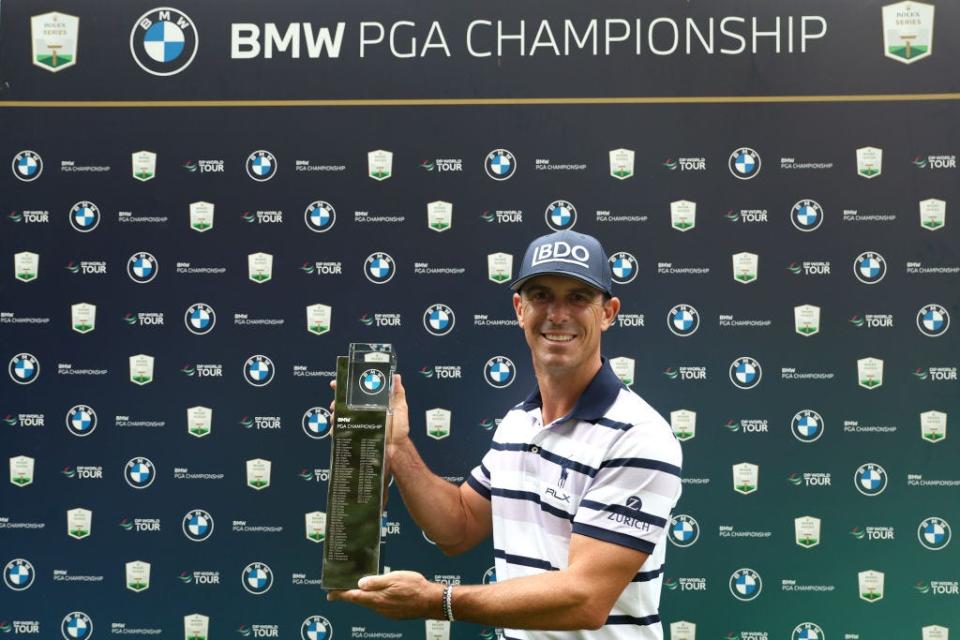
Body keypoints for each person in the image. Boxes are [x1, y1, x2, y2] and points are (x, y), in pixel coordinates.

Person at [329, 230, 683, 639]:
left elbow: (585, 598)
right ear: (519, 308)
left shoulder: (638, 436)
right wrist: (396, 446)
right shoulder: (520, 421)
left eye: (578, 298)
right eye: (541, 295)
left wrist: (436, 601)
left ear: (608, 312)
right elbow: (458, 527)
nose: (557, 313)